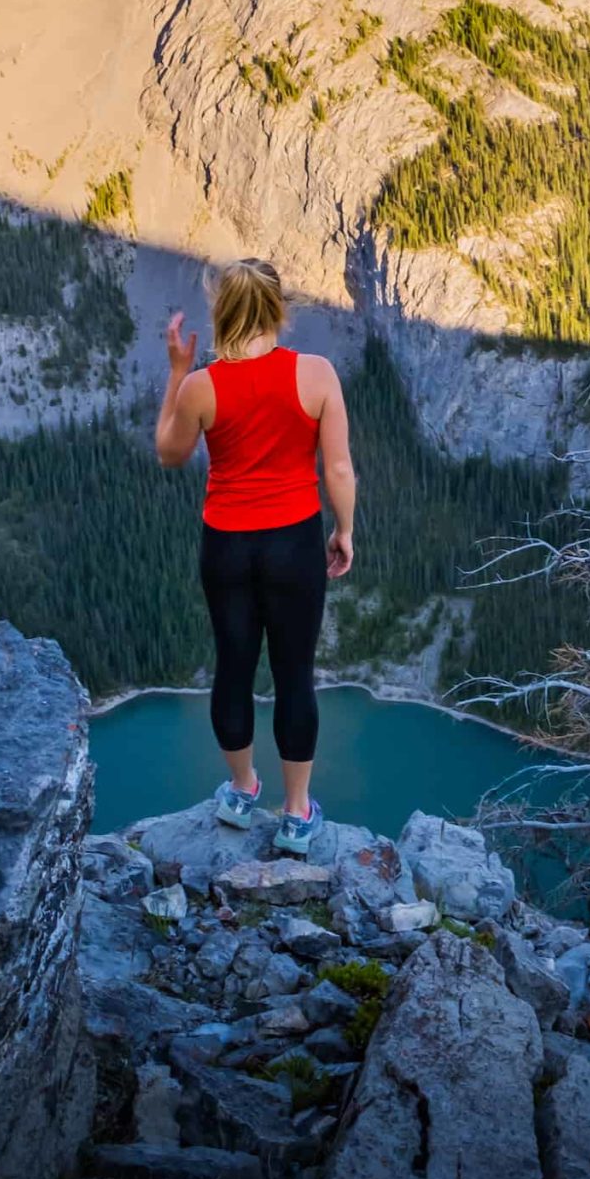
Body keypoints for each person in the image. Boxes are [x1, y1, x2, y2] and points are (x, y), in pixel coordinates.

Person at [155, 258, 356, 857]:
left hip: (226, 546)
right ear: (277, 309)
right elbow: (339, 467)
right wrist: (344, 530)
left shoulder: (202, 386)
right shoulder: (317, 375)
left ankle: (242, 791)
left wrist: (176, 372)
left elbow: (169, 452)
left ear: (223, 313)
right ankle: (296, 815)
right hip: (294, 541)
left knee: (234, 668)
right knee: (295, 674)